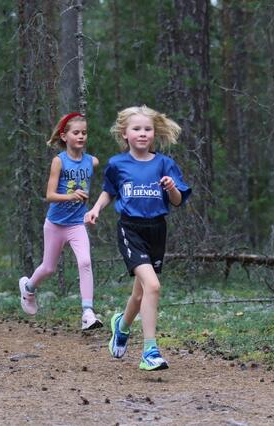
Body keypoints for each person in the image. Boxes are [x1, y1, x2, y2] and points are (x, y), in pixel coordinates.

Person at [84, 105, 191, 371]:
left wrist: (171, 188)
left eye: (148, 129)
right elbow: (110, 191)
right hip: (130, 229)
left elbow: (177, 201)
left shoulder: (165, 164)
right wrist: (96, 209)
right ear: (125, 133)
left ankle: (121, 326)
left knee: (141, 293)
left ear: (154, 133)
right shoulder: (118, 164)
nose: (143, 134)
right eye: (137, 129)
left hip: (156, 230)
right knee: (153, 286)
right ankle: (150, 351)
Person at [18, 112, 103, 331]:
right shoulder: (59, 161)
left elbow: (98, 164)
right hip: (55, 224)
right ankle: (28, 288)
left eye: (84, 133)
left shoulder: (91, 161)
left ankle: (87, 313)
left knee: (85, 262)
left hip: (76, 224)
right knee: (48, 268)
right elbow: (49, 195)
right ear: (64, 136)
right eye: (76, 133)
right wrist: (71, 196)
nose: (81, 136)